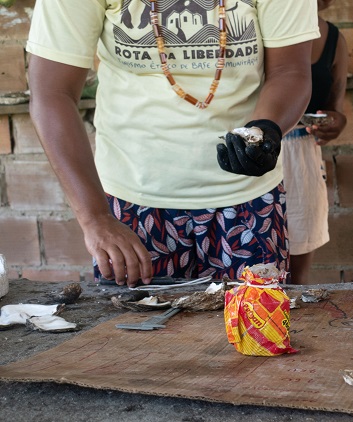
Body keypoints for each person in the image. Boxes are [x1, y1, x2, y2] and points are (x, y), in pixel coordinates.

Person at [25, 0, 319, 288]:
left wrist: (265, 128)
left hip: (249, 202)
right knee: (138, 333)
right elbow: (52, 92)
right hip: (132, 206)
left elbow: (289, 71)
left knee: (255, 329)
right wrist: (95, 218)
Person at [283, 0, 348, 285]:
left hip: (303, 158)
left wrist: (335, 122)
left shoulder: (334, 39)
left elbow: (337, 111)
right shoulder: (258, 30)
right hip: (258, 154)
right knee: (252, 272)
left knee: (296, 278)